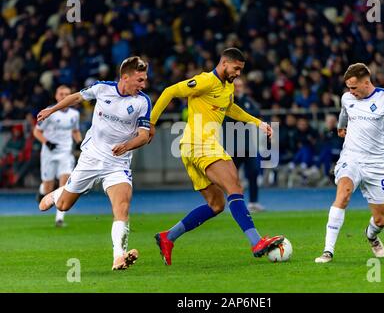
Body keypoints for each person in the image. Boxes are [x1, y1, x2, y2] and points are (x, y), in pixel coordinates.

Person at [150, 48, 284, 265]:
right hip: (200, 143)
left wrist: (258, 123)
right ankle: (257, 242)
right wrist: (151, 123)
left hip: (191, 149)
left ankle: (168, 237)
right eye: (236, 68)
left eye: (241, 69)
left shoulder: (227, 87)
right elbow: (169, 91)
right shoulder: (204, 81)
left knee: (216, 205)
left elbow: (231, 109)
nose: (238, 73)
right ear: (224, 63)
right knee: (235, 188)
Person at [37, 56, 152, 270]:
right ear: (125, 78)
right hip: (91, 158)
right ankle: (58, 193)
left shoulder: (142, 101)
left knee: (122, 208)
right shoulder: (102, 88)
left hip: (118, 163)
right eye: (140, 80)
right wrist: (52, 109)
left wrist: (126, 146)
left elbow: (144, 136)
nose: (143, 85)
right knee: (63, 205)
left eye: (144, 80)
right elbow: (75, 98)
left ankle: (118, 256)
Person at [315, 63, 384, 263]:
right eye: (348, 87)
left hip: (376, 165)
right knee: (343, 193)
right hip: (351, 157)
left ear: (366, 82)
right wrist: (340, 127)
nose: (350, 92)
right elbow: (344, 113)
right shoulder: (348, 98)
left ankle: (371, 235)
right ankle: (328, 251)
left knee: (380, 220)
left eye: (354, 87)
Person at [33, 85, 82, 227]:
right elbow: (37, 132)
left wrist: (79, 142)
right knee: (48, 187)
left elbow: (75, 131)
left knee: (65, 184)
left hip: (65, 153)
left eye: (67, 94)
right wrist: (47, 143)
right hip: (49, 153)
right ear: (56, 96)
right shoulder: (49, 112)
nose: (64, 96)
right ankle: (42, 191)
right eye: (61, 94)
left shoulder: (74, 114)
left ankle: (59, 219)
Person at [224, 77, 265, 213]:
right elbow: (232, 116)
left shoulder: (247, 100)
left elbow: (257, 113)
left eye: (240, 85)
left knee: (253, 172)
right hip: (233, 145)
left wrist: (244, 115)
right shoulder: (226, 101)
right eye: (236, 85)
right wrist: (246, 115)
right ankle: (232, 203)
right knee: (231, 177)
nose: (238, 88)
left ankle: (253, 202)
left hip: (248, 145)